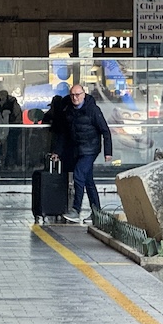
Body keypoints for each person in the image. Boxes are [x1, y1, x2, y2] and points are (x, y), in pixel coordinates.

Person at [51, 83, 113, 223]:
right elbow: (64, 134)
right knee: (88, 181)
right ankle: (97, 213)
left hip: (90, 149)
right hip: (77, 149)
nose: (75, 97)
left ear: (83, 95)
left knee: (78, 175)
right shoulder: (68, 109)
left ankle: (76, 210)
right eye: (72, 95)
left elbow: (105, 131)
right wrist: (57, 151)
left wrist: (107, 152)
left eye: (78, 95)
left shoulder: (92, 110)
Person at [0, 89, 24, 169]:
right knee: (7, 146)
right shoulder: (0, 105)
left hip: (13, 129)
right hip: (5, 128)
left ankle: (11, 163)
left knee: (12, 146)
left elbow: (16, 117)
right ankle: (8, 163)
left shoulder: (12, 104)